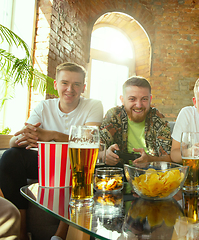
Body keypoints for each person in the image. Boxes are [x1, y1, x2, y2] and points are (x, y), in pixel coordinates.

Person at [0, 62, 104, 240]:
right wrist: (22, 138)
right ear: (56, 85)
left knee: (83, 165)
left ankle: (59, 235)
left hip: (73, 163)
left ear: (83, 87)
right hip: (46, 163)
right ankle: (22, 232)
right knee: (10, 156)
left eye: (76, 84)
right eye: (64, 83)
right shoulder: (44, 107)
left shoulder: (93, 105)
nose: (69, 89)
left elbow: (89, 139)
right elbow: (15, 140)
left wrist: (52, 135)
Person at [100, 76, 172, 166]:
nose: (138, 105)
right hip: (118, 173)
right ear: (122, 100)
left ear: (150, 99)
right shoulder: (114, 115)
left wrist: (150, 160)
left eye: (144, 99)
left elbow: (168, 158)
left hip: (151, 173)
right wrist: (104, 155)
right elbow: (97, 147)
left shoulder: (158, 119)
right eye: (132, 99)